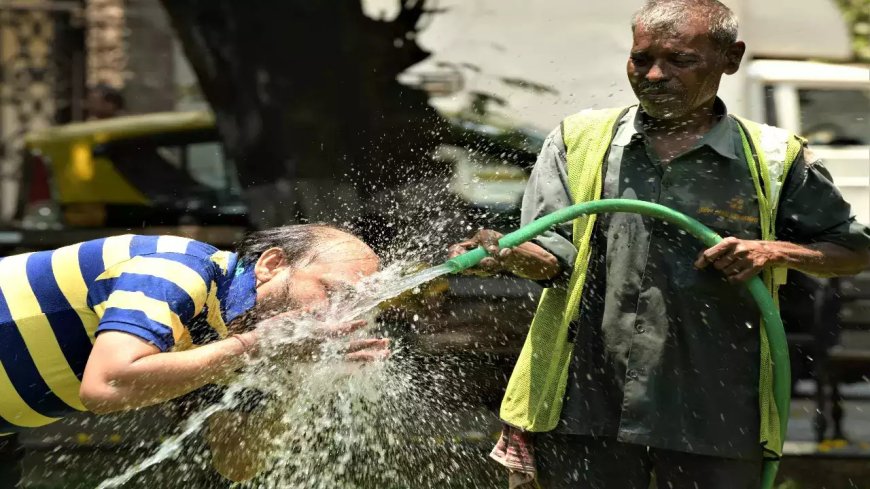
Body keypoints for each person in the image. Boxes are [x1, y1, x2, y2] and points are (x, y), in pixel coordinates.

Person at [449, 1, 870, 487]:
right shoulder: (577, 140)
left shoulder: (776, 158)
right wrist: (507, 255)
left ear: (730, 59)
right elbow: (554, 259)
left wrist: (772, 252)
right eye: (640, 58)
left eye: (680, 60)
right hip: (586, 408)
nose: (654, 75)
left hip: (715, 412)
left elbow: (853, 249)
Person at [0, 224, 389, 485]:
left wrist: (299, 378)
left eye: (354, 306)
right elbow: (105, 387)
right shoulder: (178, 270)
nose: (337, 314)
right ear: (272, 265)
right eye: (333, 293)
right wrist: (251, 347)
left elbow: (237, 463)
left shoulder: (246, 339)